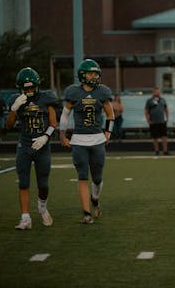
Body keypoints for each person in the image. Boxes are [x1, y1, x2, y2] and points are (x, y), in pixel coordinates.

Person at [59, 59, 114, 224]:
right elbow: (64, 115)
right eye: (91, 73)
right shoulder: (73, 92)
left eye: (96, 73)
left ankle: (95, 198)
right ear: (82, 75)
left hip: (97, 139)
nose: (94, 76)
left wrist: (108, 134)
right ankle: (86, 213)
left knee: (97, 178)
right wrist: (62, 135)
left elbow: (110, 115)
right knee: (82, 176)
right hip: (79, 140)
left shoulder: (102, 92)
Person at [5, 67, 59, 230]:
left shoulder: (46, 98)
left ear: (37, 85)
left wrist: (45, 137)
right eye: (26, 87)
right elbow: (8, 125)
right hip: (24, 145)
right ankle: (25, 217)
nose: (29, 90)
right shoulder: (17, 99)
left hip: (42, 146)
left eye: (31, 87)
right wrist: (14, 109)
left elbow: (53, 123)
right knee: (23, 182)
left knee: (43, 184)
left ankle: (42, 207)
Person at [145, 87, 169, 155]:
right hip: (153, 122)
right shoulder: (149, 100)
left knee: (164, 136)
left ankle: (165, 151)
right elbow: (146, 111)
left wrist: (167, 118)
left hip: (162, 121)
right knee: (155, 137)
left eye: (159, 91)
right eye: (156, 91)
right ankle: (157, 151)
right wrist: (148, 120)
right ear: (154, 92)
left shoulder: (163, 100)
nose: (158, 93)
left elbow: (166, 109)